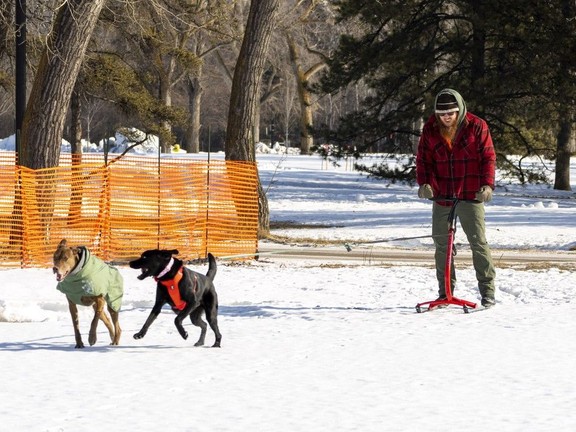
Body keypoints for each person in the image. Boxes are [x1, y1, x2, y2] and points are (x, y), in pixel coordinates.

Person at [416, 88, 496, 308]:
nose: (446, 117)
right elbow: (423, 159)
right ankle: (445, 292)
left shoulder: (477, 126)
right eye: (442, 114)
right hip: (442, 194)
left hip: (471, 192)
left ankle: (488, 291)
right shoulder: (431, 129)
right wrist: (424, 184)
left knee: (478, 242)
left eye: (451, 113)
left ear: (459, 110)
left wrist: (487, 185)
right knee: (442, 245)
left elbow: (488, 157)